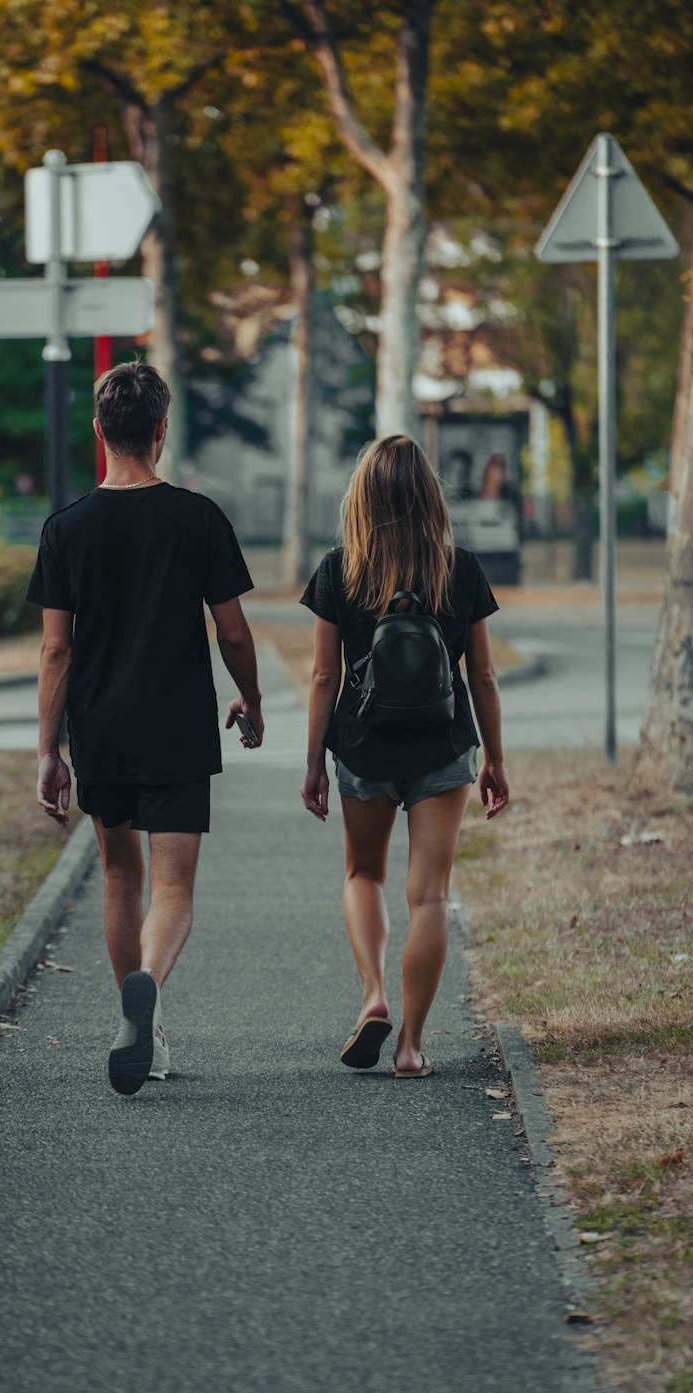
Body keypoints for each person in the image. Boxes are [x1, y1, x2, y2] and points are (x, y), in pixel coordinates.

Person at [26, 361, 264, 1097]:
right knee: (173, 888)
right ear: (161, 432)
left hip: (102, 728)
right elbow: (231, 630)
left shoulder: (65, 528)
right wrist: (251, 699)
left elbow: (56, 648)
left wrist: (47, 748)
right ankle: (150, 991)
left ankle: (140, 1023)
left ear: (101, 432)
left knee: (121, 876)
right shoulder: (198, 518)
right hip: (180, 726)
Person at [299, 434, 509, 1079]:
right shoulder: (460, 568)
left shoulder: (341, 569)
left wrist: (313, 764)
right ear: (428, 495)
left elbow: (322, 678)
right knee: (430, 897)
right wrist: (495, 760)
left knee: (365, 875)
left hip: (363, 746)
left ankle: (374, 997)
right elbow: (482, 676)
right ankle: (412, 1047)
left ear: (362, 497)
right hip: (442, 747)